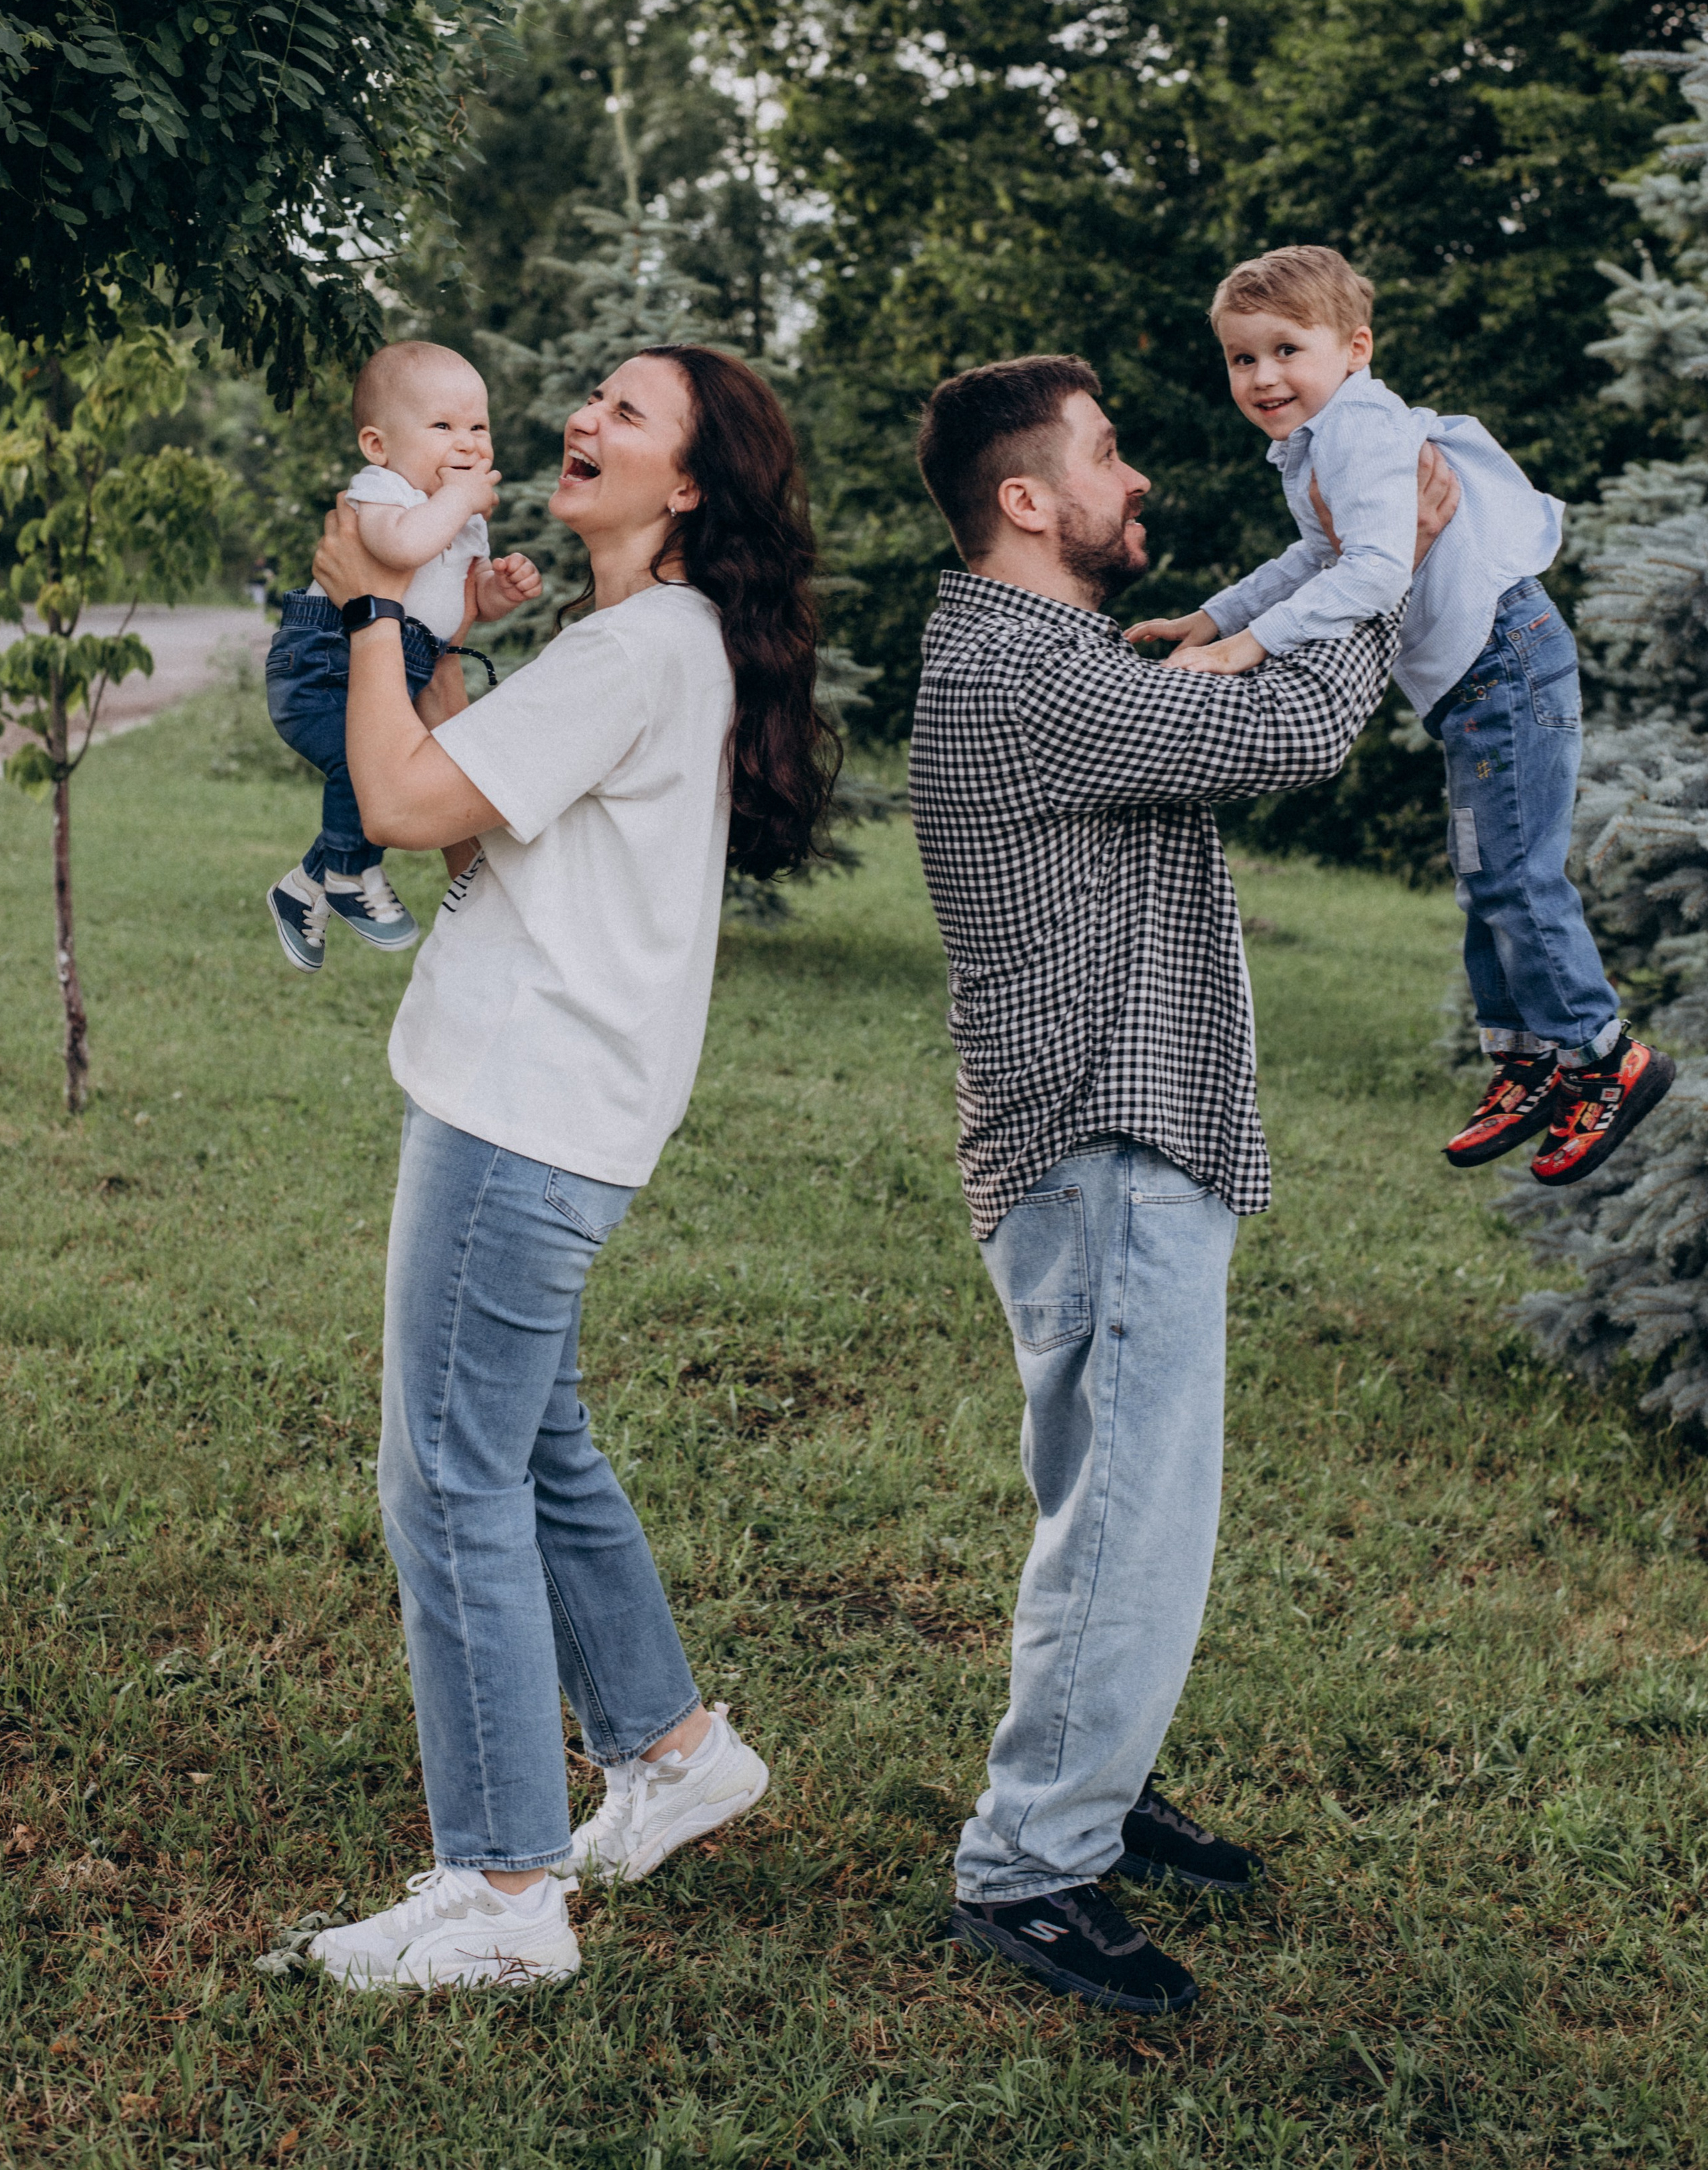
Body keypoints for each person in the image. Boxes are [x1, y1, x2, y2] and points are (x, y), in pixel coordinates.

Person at [907, 353, 1459, 2019]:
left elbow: (1230, 688)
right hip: (1098, 1139)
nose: (1135, 474)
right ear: (1027, 500)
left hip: (1096, 1138)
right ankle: (1027, 1860)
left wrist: (1247, 606)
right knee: (1127, 1520)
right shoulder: (1019, 667)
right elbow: (1292, 726)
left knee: (1115, 1494)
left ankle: (1096, 1767)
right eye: (1106, 452)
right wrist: (1395, 548)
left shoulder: (1051, 654)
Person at [299, 345, 837, 1990]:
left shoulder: (637, 651)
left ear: (689, 483)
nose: (572, 424)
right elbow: (468, 812)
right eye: (584, 400)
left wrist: (367, 613)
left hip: (517, 1112)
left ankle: (504, 1889)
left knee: (445, 1475)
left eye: (621, 410)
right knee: (531, 1442)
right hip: (560, 1110)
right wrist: (436, 638)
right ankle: (670, 1750)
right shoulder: (635, 644)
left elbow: (389, 801)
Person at [1131, 245, 1673, 1187]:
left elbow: (1376, 570)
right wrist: (1215, 617)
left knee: (1517, 877)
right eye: (1241, 358)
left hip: (1507, 659)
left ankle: (1606, 1058)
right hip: (1474, 681)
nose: (1262, 377)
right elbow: (1315, 559)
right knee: (1484, 877)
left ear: (1355, 348)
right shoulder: (1313, 446)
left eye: (1285, 350)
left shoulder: (1361, 428)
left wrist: (1248, 649)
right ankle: (1527, 1059)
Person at [264, 340, 542, 974]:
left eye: (479, 427)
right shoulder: (384, 491)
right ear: (377, 446)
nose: (468, 444)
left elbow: (459, 605)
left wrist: (499, 590)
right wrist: (459, 502)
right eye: (443, 427)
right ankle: (348, 874)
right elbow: (398, 549)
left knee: (392, 775)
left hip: (396, 663)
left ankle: (303, 888)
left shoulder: (459, 515)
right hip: (322, 667)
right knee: (367, 774)